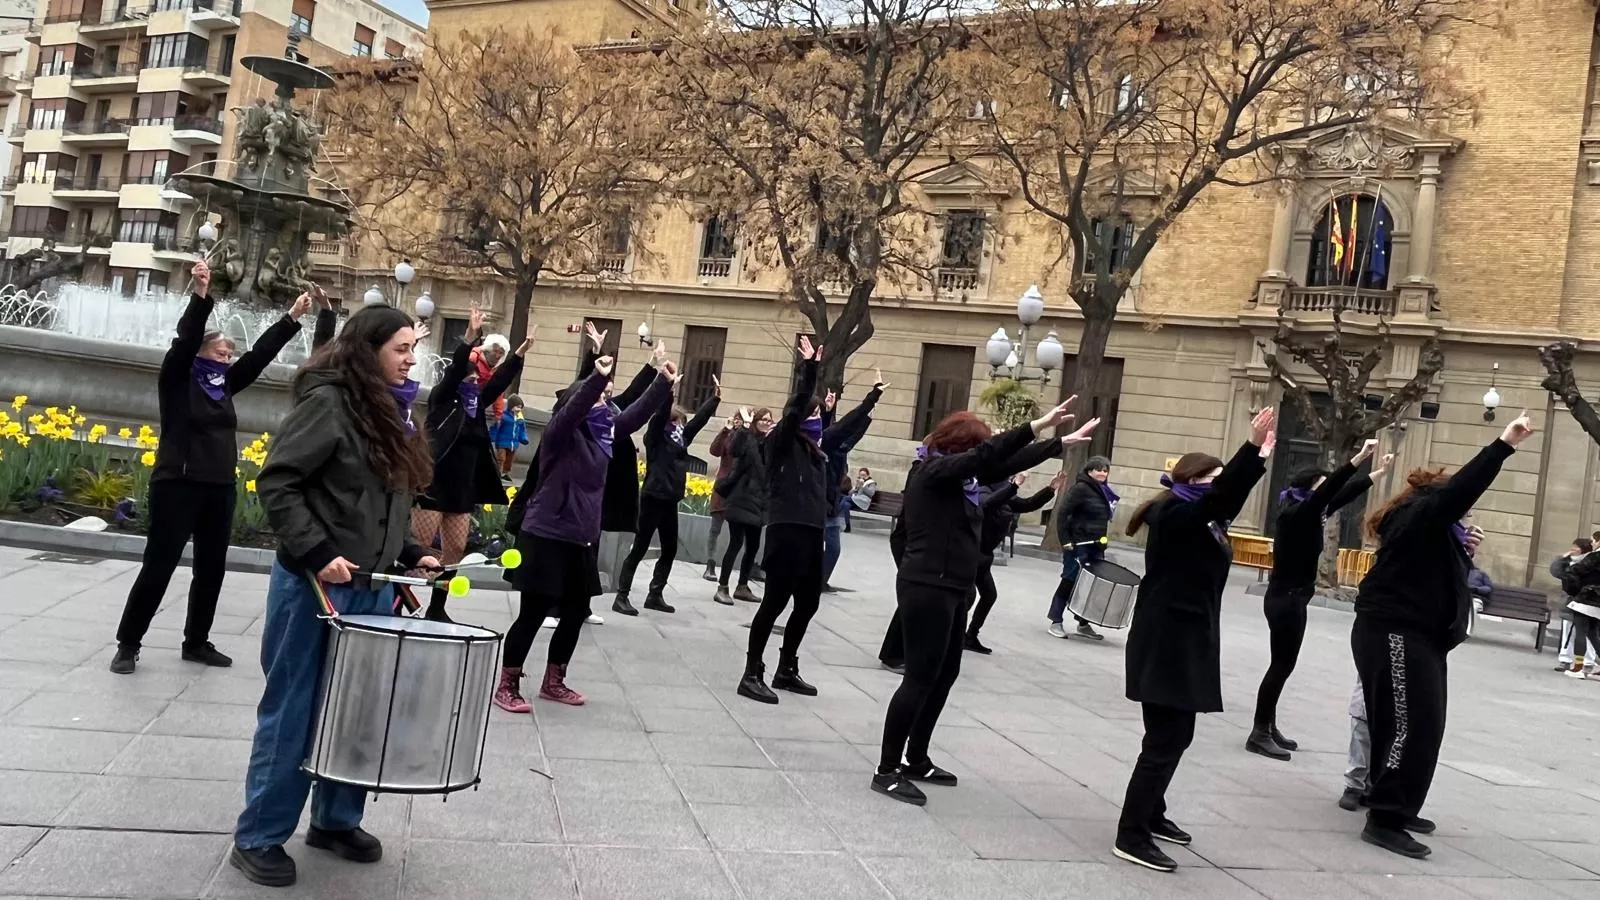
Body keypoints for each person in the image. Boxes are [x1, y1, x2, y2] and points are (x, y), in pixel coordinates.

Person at [229, 304, 439, 888]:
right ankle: (259, 836)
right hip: (315, 586)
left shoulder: (388, 412)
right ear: (368, 350)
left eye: (411, 348)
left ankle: (335, 820)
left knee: (357, 711)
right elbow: (278, 481)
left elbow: (382, 503)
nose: (410, 358)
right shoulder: (329, 402)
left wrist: (406, 551)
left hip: (369, 589)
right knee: (295, 709)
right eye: (400, 348)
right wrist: (319, 552)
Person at [872, 402, 1098, 804]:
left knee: (945, 674)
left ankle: (917, 758)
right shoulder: (933, 471)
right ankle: (886, 769)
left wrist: (1056, 443)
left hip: (955, 584)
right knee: (920, 677)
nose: (985, 449)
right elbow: (988, 456)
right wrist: (1035, 426)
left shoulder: (962, 478)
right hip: (928, 584)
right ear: (962, 444)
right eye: (979, 442)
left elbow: (999, 463)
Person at [111, 261, 314, 675]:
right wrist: (200, 295)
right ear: (202, 354)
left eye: (229, 355)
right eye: (221, 353)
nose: (227, 360)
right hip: (177, 484)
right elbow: (184, 342)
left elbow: (257, 358)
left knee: (211, 569)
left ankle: (196, 642)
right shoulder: (177, 380)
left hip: (219, 488)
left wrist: (291, 319)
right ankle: (128, 644)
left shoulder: (223, 386)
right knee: (159, 565)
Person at [1351, 412, 1533, 860]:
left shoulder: (1435, 530)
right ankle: (1384, 817)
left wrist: (1462, 553)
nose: (1466, 511)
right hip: (1395, 632)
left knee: (1425, 726)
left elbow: (1439, 579)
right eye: (1459, 506)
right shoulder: (1420, 514)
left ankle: (1401, 803)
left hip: (1423, 637)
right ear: (1438, 498)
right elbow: (1460, 491)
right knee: (1404, 725)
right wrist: (1503, 444)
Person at [1113, 408, 1276, 873]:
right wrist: (1250, 449)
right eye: (1215, 478)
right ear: (1195, 479)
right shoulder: (1175, 514)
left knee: (1176, 734)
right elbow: (1218, 500)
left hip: (1187, 636)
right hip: (1167, 639)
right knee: (1164, 738)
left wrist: (1257, 458)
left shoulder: (1200, 514)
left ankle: (1153, 812)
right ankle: (1131, 833)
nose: (1219, 486)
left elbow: (1225, 501)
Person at [494, 325, 674, 712]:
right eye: (600, 399)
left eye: (607, 399)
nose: (606, 404)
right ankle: (508, 683)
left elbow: (636, 414)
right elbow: (577, 405)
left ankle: (554, 680)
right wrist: (597, 376)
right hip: (545, 532)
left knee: (575, 612)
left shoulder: (605, 432)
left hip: (581, 537)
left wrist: (663, 382)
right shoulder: (561, 433)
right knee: (533, 612)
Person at [1246, 439, 1391, 761]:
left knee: (1283, 665)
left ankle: (1267, 725)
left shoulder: (1309, 510)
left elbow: (1343, 493)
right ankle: (1259, 731)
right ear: (1310, 488)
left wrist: (1378, 470)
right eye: (1321, 486)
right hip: (1287, 600)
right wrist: (1360, 457)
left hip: (1291, 598)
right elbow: (1332, 491)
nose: (1326, 493)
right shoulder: (1297, 513)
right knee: (1281, 666)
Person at [413, 307, 530, 622]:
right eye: (472, 377)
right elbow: (453, 372)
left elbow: (499, 381)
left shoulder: (476, 407)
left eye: (477, 379)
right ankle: (399, 599)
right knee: (419, 547)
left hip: (462, 489)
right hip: (434, 483)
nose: (476, 381)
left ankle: (437, 608)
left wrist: (517, 356)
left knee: (453, 552)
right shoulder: (443, 400)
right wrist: (468, 338)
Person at [738, 336, 833, 704]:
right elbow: (794, 409)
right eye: (812, 414)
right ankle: (751, 672)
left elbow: (841, 430)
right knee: (775, 602)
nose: (815, 419)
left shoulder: (816, 454)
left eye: (818, 415)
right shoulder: (780, 442)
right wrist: (809, 370)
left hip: (811, 533)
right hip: (786, 531)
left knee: (808, 603)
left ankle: (786, 668)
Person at [613, 376, 720, 615]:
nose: (682, 425)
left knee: (670, 548)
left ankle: (655, 594)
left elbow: (698, 423)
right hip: (653, 496)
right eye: (678, 421)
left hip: (670, 499)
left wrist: (715, 399)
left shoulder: (681, 440)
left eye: (682, 422)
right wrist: (668, 391)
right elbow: (661, 416)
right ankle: (621, 595)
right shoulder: (656, 437)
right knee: (639, 548)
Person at [966, 471, 1063, 654]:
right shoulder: (983, 491)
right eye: (1008, 478)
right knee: (966, 597)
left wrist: (1050, 489)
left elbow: (1027, 504)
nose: (1010, 480)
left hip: (985, 556)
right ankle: (951, 634)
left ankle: (970, 635)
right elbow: (988, 503)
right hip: (971, 554)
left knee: (989, 595)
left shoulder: (1006, 495)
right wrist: (1013, 487)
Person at [820, 375, 887, 591]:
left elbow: (851, 434)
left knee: (833, 549)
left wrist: (868, 417)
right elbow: (844, 426)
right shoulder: (827, 444)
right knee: (819, 548)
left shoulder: (839, 449)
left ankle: (819, 581)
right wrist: (872, 397)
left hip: (831, 504)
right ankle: (810, 580)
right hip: (817, 504)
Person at [1045, 456, 1119, 641]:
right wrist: (1066, 541)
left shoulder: (1104, 491)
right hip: (1078, 545)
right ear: (1089, 471)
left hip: (1096, 544)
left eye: (1105, 469)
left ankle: (1083, 624)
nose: (1102, 473)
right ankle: (1055, 621)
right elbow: (1063, 514)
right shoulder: (1081, 489)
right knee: (1069, 580)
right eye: (1098, 469)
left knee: (1091, 585)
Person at [713, 407, 772, 605]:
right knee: (735, 543)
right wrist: (745, 427)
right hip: (741, 498)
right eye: (762, 419)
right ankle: (722, 587)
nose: (766, 422)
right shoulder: (746, 437)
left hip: (758, 503)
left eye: (769, 420)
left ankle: (742, 585)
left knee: (753, 546)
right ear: (755, 421)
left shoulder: (768, 443)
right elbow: (735, 450)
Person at [1552, 538, 1596, 673]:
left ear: (1582, 549)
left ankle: (1588, 662)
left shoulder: (1590, 562)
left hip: (1584, 600)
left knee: (1588, 633)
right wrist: (1561, 559)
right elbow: (1556, 572)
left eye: (1575, 547)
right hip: (1570, 602)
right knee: (1568, 631)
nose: (1572, 549)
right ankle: (1565, 660)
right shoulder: (1570, 562)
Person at [491, 395, 530, 480]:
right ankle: (497, 473)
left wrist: (524, 438)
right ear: (511, 406)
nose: (519, 409)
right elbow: (496, 427)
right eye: (517, 407)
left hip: (513, 444)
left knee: (509, 460)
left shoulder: (520, 419)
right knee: (501, 459)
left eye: (520, 407)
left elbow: (522, 430)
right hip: (502, 442)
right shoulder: (504, 416)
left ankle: (505, 473)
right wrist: (492, 436)